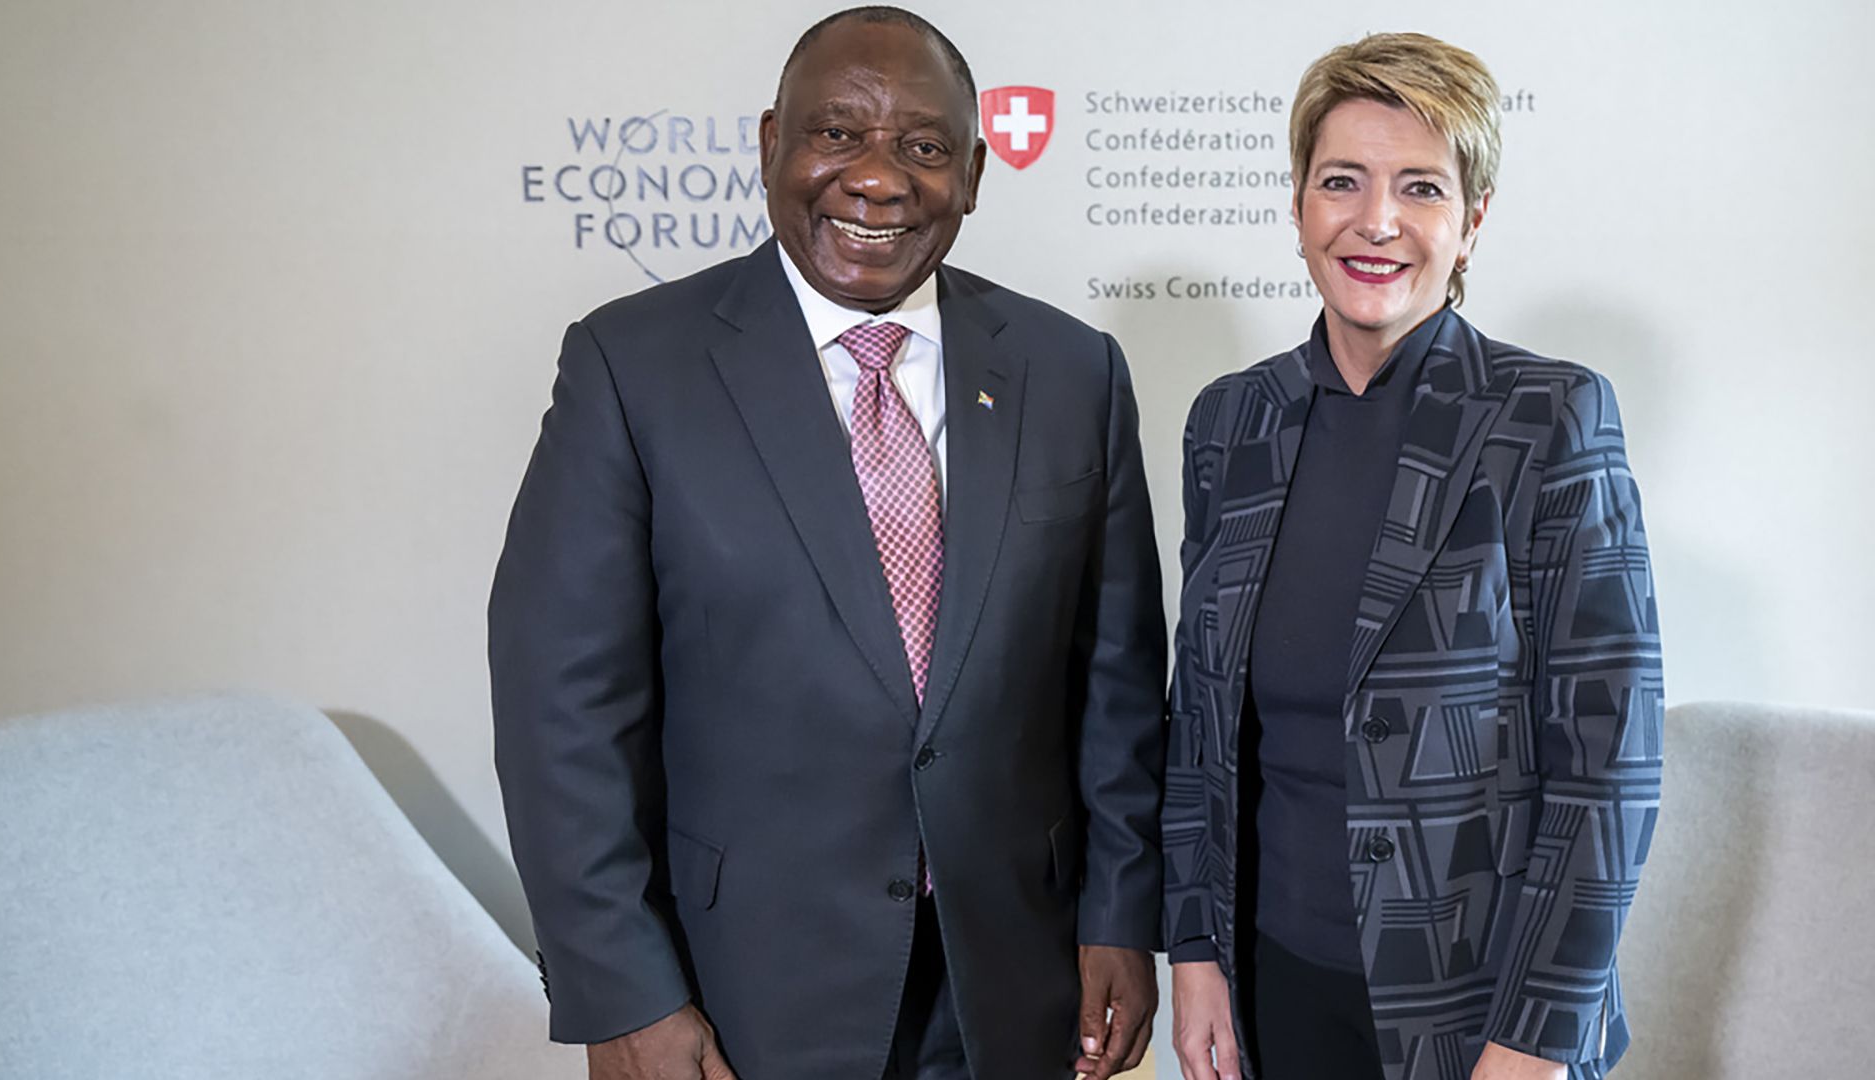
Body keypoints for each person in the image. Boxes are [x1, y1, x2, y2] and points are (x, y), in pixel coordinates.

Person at [488, 8, 1167, 1080]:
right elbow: (561, 712)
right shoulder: (633, 366)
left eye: (924, 147)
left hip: (1011, 986)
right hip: (740, 994)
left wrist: (1120, 916)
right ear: (772, 145)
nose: (878, 179)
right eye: (838, 133)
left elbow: (1117, 686)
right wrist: (623, 995)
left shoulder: (1074, 371)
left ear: (974, 175)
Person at [1162, 32, 1664, 1080]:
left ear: (1472, 220)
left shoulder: (1550, 418)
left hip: (1481, 1008)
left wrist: (1535, 1038)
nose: (1376, 221)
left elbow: (1609, 760)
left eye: (1421, 187)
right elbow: (1198, 721)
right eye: (1341, 180)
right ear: (1298, 203)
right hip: (1272, 986)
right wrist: (1197, 951)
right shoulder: (1231, 422)